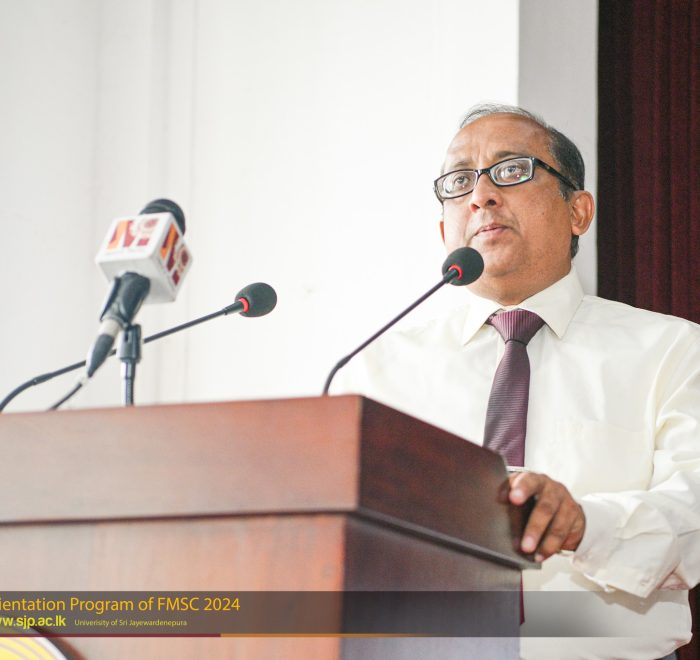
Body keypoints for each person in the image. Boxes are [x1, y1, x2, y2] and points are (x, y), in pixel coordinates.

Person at [332, 103, 700, 659]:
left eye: (510, 170)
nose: (480, 195)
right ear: (445, 231)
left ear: (578, 211)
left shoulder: (670, 349)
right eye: (459, 181)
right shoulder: (376, 370)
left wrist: (583, 525)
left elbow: (692, 508)